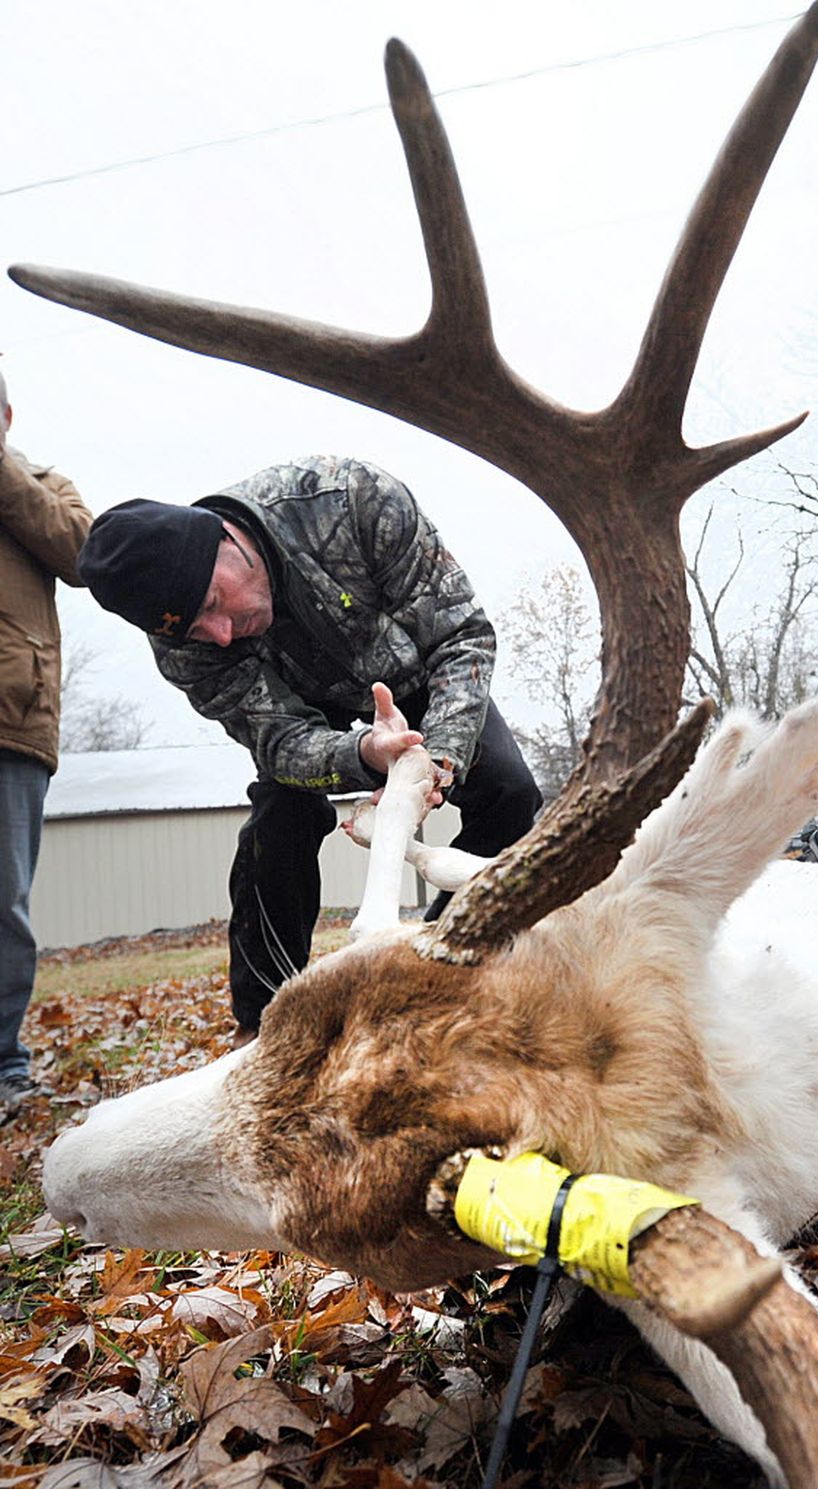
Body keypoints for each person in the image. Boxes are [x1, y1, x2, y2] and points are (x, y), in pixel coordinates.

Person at [77, 455, 541, 1040]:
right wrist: (364, 756)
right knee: (280, 819)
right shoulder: (182, 647)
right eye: (197, 630)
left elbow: (461, 637)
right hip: (304, 712)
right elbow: (279, 740)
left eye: (215, 605)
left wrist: (438, 760)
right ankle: (264, 1025)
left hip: (418, 673)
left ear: (227, 540)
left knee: (509, 792)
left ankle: (439, 968)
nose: (220, 635)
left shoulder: (351, 500)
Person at [0, 370, 92, 1116]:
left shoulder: (41, 481)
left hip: (11, 720)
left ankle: (4, 1066)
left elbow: (81, 552)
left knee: (4, 903)